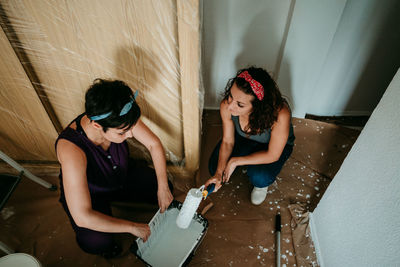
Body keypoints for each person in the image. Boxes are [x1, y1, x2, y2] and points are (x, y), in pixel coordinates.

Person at [55, 79, 173, 257]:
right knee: (96, 242)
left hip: (121, 175)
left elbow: (153, 144)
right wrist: (132, 227)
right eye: (122, 133)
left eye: (131, 128)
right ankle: (108, 248)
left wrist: (163, 188)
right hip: (93, 194)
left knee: (164, 186)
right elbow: (82, 216)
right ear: (97, 126)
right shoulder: (71, 149)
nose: (131, 134)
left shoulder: (119, 117)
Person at [205, 67, 295, 205]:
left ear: (258, 107)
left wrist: (235, 161)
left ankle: (261, 185)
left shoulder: (280, 114)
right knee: (214, 166)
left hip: (270, 147)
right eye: (230, 96)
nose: (230, 107)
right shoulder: (227, 105)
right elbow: (228, 141)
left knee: (260, 177)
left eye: (240, 105)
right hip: (243, 138)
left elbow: (273, 155)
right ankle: (238, 162)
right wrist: (218, 172)